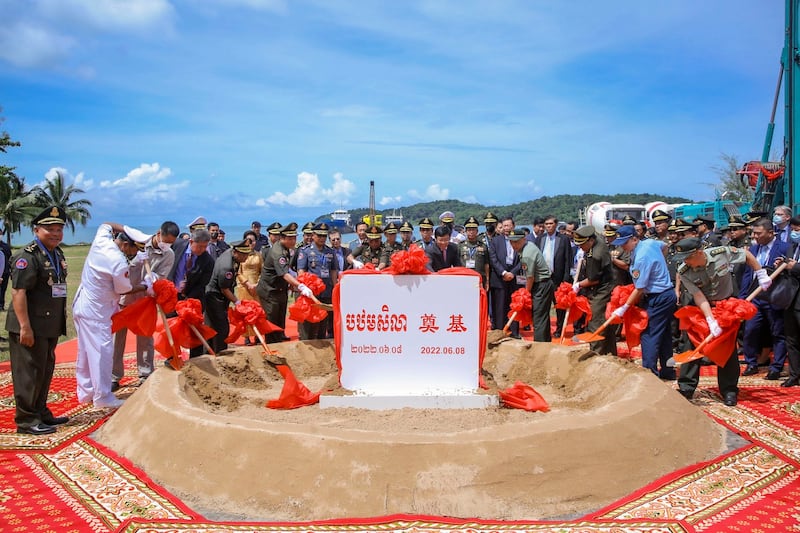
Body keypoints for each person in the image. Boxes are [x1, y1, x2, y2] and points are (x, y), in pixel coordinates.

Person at [674, 237, 766, 406]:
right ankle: (687, 387)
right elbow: (698, 296)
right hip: (702, 308)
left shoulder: (721, 253)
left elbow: (746, 254)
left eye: (688, 257)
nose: (685, 261)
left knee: (727, 348)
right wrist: (710, 320)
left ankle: (729, 390)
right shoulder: (684, 270)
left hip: (727, 306)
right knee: (692, 344)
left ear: (698, 253)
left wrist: (760, 273)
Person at [7, 207, 70, 435]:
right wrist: (25, 327)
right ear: (36, 230)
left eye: (59, 229)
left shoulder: (56, 253)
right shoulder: (28, 256)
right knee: (29, 373)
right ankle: (26, 421)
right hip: (30, 326)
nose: (55, 234)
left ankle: (41, 412)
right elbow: (18, 293)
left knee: (44, 370)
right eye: (49, 229)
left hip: (48, 325)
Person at [73, 222, 148, 409]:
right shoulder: (117, 261)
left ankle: (86, 391)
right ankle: (103, 397)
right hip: (97, 311)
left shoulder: (102, 240)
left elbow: (106, 224)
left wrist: (127, 228)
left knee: (85, 351)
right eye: (133, 250)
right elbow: (125, 289)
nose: (133, 255)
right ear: (124, 245)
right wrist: (147, 286)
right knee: (102, 353)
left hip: (83, 304)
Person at [112, 221, 179, 390]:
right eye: (165, 240)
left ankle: (145, 373)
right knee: (117, 338)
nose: (166, 244)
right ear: (158, 233)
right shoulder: (140, 243)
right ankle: (114, 376)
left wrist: (153, 280)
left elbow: (161, 276)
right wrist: (136, 261)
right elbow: (120, 265)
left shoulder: (169, 254)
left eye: (170, 242)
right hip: (125, 298)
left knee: (145, 337)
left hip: (145, 300)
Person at [610, 225, 676, 379]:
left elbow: (639, 288)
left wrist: (624, 307)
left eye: (625, 243)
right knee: (664, 334)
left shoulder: (641, 257)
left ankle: (649, 373)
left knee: (649, 334)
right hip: (666, 294)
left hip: (658, 297)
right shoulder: (651, 243)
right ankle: (668, 370)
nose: (622, 247)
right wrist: (659, 266)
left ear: (634, 238)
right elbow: (664, 247)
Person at [739, 217, 789, 379]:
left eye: (758, 233)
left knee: (777, 332)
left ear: (770, 232)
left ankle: (776, 367)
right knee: (751, 330)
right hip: (755, 297)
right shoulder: (753, 250)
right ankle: (751, 362)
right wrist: (743, 297)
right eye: (753, 233)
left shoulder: (784, 248)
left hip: (775, 297)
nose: (755, 236)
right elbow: (748, 274)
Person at [257, 222, 310, 343]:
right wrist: (300, 285)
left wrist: (293, 284)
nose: (293, 241)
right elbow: (284, 273)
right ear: (282, 238)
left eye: (294, 238)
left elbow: (288, 270)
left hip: (280, 288)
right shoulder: (278, 252)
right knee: (272, 319)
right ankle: (271, 345)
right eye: (290, 239)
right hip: (269, 290)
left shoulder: (286, 249)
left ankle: (279, 340)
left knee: (280, 317)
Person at [168, 228, 214, 357]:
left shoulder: (208, 260)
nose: (202, 250)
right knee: (171, 329)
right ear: (191, 241)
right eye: (199, 246)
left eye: (205, 247)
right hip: (172, 295)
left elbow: (202, 284)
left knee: (195, 331)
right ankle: (172, 357)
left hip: (192, 298)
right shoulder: (177, 245)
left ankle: (196, 358)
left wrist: (187, 299)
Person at [572, 226, 616, 355]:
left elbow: (593, 279)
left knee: (595, 320)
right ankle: (610, 353)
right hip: (607, 285)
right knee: (606, 322)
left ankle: (596, 353)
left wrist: (578, 285)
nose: (580, 248)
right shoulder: (597, 241)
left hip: (602, 288)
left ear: (590, 240)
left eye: (582, 245)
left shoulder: (595, 255)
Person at [205, 240, 253, 354]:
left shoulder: (231, 255)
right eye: (244, 255)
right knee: (221, 327)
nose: (246, 257)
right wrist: (237, 302)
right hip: (215, 296)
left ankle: (209, 351)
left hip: (218, 294)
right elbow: (224, 289)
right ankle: (220, 352)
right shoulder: (227, 267)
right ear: (236, 252)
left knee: (211, 326)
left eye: (247, 254)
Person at [510, 228, 553, 342]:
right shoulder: (527, 246)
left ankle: (539, 345)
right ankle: (546, 342)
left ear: (524, 239)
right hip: (540, 283)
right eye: (511, 242)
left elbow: (530, 277)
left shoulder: (527, 253)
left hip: (541, 285)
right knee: (542, 316)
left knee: (538, 317)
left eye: (517, 241)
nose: (514, 245)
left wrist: (526, 293)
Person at [297, 223, 338, 339]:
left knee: (323, 322)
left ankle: (321, 345)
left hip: (326, 291)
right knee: (309, 323)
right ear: (313, 235)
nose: (322, 239)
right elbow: (301, 272)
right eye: (319, 236)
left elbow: (333, 271)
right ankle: (306, 344)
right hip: (312, 293)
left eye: (324, 236)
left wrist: (335, 287)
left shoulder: (330, 252)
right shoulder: (305, 251)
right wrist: (304, 288)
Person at [534, 215, 573, 337]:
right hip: (543, 278)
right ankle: (544, 331)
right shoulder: (540, 238)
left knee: (560, 306)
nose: (548, 226)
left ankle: (559, 329)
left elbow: (568, 259)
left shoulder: (564, 239)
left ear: (555, 224)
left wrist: (566, 279)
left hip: (558, 278)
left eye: (551, 224)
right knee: (543, 306)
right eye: (546, 224)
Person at [488, 216, 522, 337]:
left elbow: (522, 259)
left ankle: (514, 332)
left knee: (514, 305)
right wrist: (503, 272)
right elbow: (493, 259)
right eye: (504, 226)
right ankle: (499, 331)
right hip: (499, 278)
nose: (507, 228)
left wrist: (512, 273)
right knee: (499, 306)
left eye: (509, 225)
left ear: (514, 226)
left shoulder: (520, 240)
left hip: (514, 278)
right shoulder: (495, 241)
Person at [781, 215, 800, 387]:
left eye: (797, 230)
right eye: (792, 230)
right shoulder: (791, 247)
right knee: (791, 338)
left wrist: (795, 267)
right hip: (790, 299)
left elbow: (795, 267)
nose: (794, 233)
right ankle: (794, 374)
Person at [236, 230, 263, 345]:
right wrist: (247, 283)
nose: (250, 243)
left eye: (252, 241)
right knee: (245, 312)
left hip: (256, 287)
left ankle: (258, 336)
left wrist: (258, 283)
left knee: (257, 312)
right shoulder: (240, 254)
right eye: (248, 241)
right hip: (244, 287)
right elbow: (238, 272)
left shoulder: (259, 255)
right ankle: (246, 336)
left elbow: (263, 271)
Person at [459, 216, 490, 291]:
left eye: (473, 230)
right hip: (465, 278)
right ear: (465, 231)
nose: (471, 232)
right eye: (469, 230)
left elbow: (486, 264)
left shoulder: (483, 246)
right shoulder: (460, 246)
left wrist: (487, 280)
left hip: (480, 279)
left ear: (477, 231)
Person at [0, 227, 11, 311]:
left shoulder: (6, 246)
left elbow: (10, 259)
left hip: (5, 273)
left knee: (3, 289)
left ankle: (1, 305)